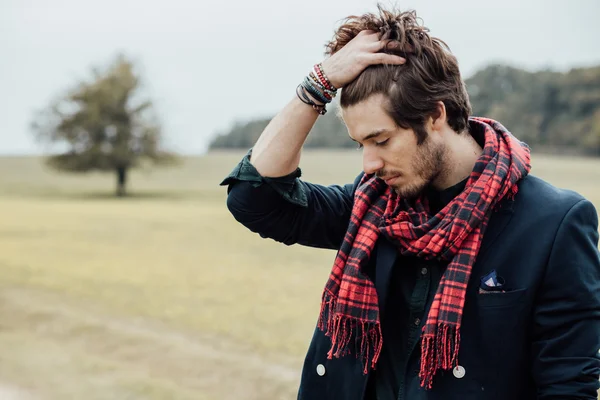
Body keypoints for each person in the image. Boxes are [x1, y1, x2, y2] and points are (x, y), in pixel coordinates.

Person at [220, 6, 600, 400]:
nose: (369, 163)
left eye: (381, 140)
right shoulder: (370, 206)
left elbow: (568, 385)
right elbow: (254, 198)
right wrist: (319, 83)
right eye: (360, 144)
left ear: (435, 115)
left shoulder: (554, 223)